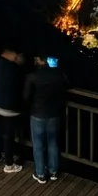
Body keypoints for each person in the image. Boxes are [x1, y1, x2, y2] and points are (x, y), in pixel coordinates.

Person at [24, 55, 68, 184]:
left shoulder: (32, 76)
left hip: (37, 114)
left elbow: (26, 96)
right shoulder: (58, 75)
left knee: (38, 144)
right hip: (54, 113)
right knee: (53, 142)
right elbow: (68, 84)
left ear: (39, 60)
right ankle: (54, 171)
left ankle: (41, 174)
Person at [0, 48, 26, 173]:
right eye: (16, 54)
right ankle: (9, 164)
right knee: (8, 136)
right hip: (9, 107)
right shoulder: (14, 69)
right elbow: (21, 85)